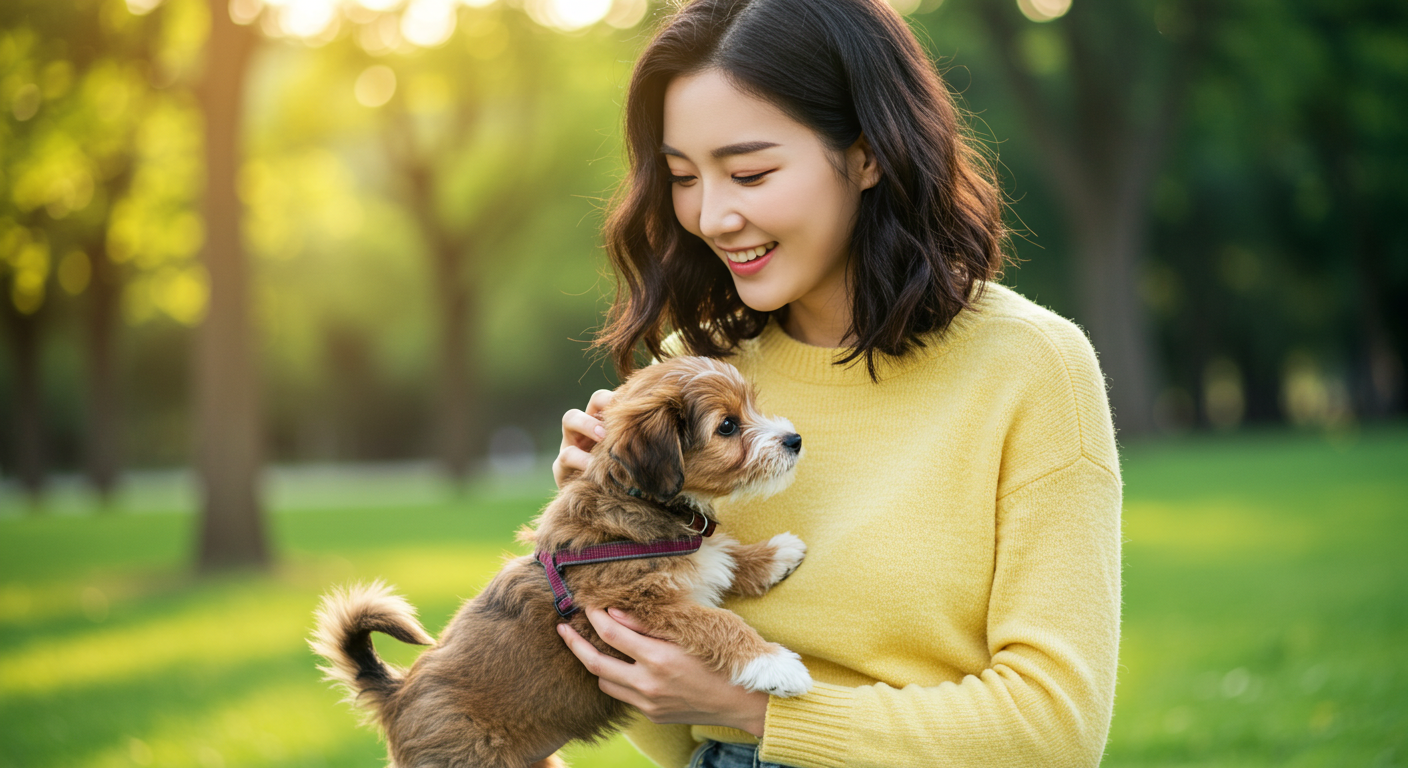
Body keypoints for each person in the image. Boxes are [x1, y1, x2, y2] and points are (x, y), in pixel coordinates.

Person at [551, 0, 1122, 766]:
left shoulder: (1031, 366)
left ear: (867, 154)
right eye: (683, 177)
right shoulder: (696, 378)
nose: (711, 216)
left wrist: (757, 710)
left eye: (749, 173)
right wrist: (603, 541)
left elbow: (1056, 729)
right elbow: (672, 731)